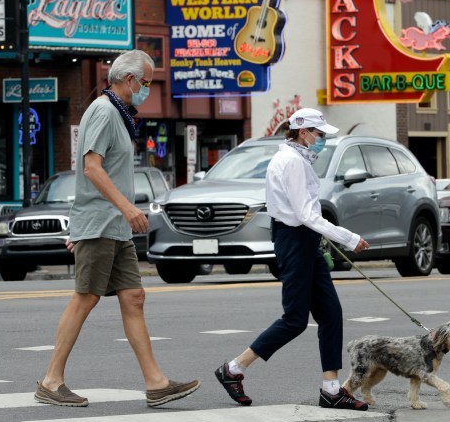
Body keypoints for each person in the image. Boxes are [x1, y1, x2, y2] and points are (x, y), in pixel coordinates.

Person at [35, 49, 200, 408]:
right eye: (146, 82)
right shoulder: (104, 111)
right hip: (104, 222)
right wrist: (124, 209)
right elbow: (91, 168)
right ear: (130, 80)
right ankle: (51, 380)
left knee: (134, 298)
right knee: (86, 297)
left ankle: (156, 382)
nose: (146, 89)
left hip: (115, 225)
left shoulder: (119, 113)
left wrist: (122, 214)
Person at [214, 108, 371, 411]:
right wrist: (350, 239)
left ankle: (331, 388)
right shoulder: (292, 162)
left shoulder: (292, 158)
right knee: (295, 320)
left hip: (302, 241)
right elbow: (306, 215)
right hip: (295, 241)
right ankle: (233, 369)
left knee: (330, 314)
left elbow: (305, 215)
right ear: (303, 133)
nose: (321, 140)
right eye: (319, 134)